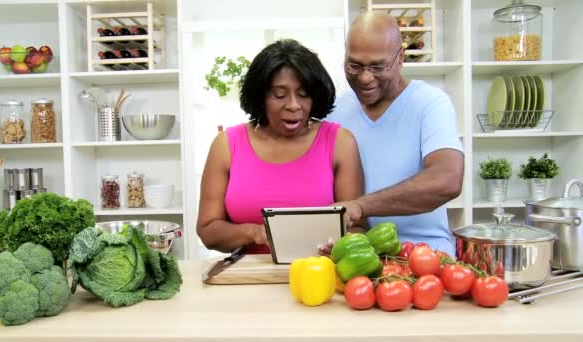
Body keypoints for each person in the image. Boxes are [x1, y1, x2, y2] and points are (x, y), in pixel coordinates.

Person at [196, 39, 364, 254]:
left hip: (321, 275)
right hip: (249, 278)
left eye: (303, 94)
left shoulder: (340, 142)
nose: (294, 105)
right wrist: (256, 232)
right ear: (261, 96)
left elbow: (358, 227)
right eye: (279, 95)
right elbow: (208, 230)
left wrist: (341, 244)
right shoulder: (227, 145)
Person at [325, 13, 464, 255]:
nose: (365, 77)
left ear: (400, 58)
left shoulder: (430, 103)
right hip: (359, 257)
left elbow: (448, 180)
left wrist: (361, 206)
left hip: (426, 253)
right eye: (355, 65)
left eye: (378, 66)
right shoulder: (334, 113)